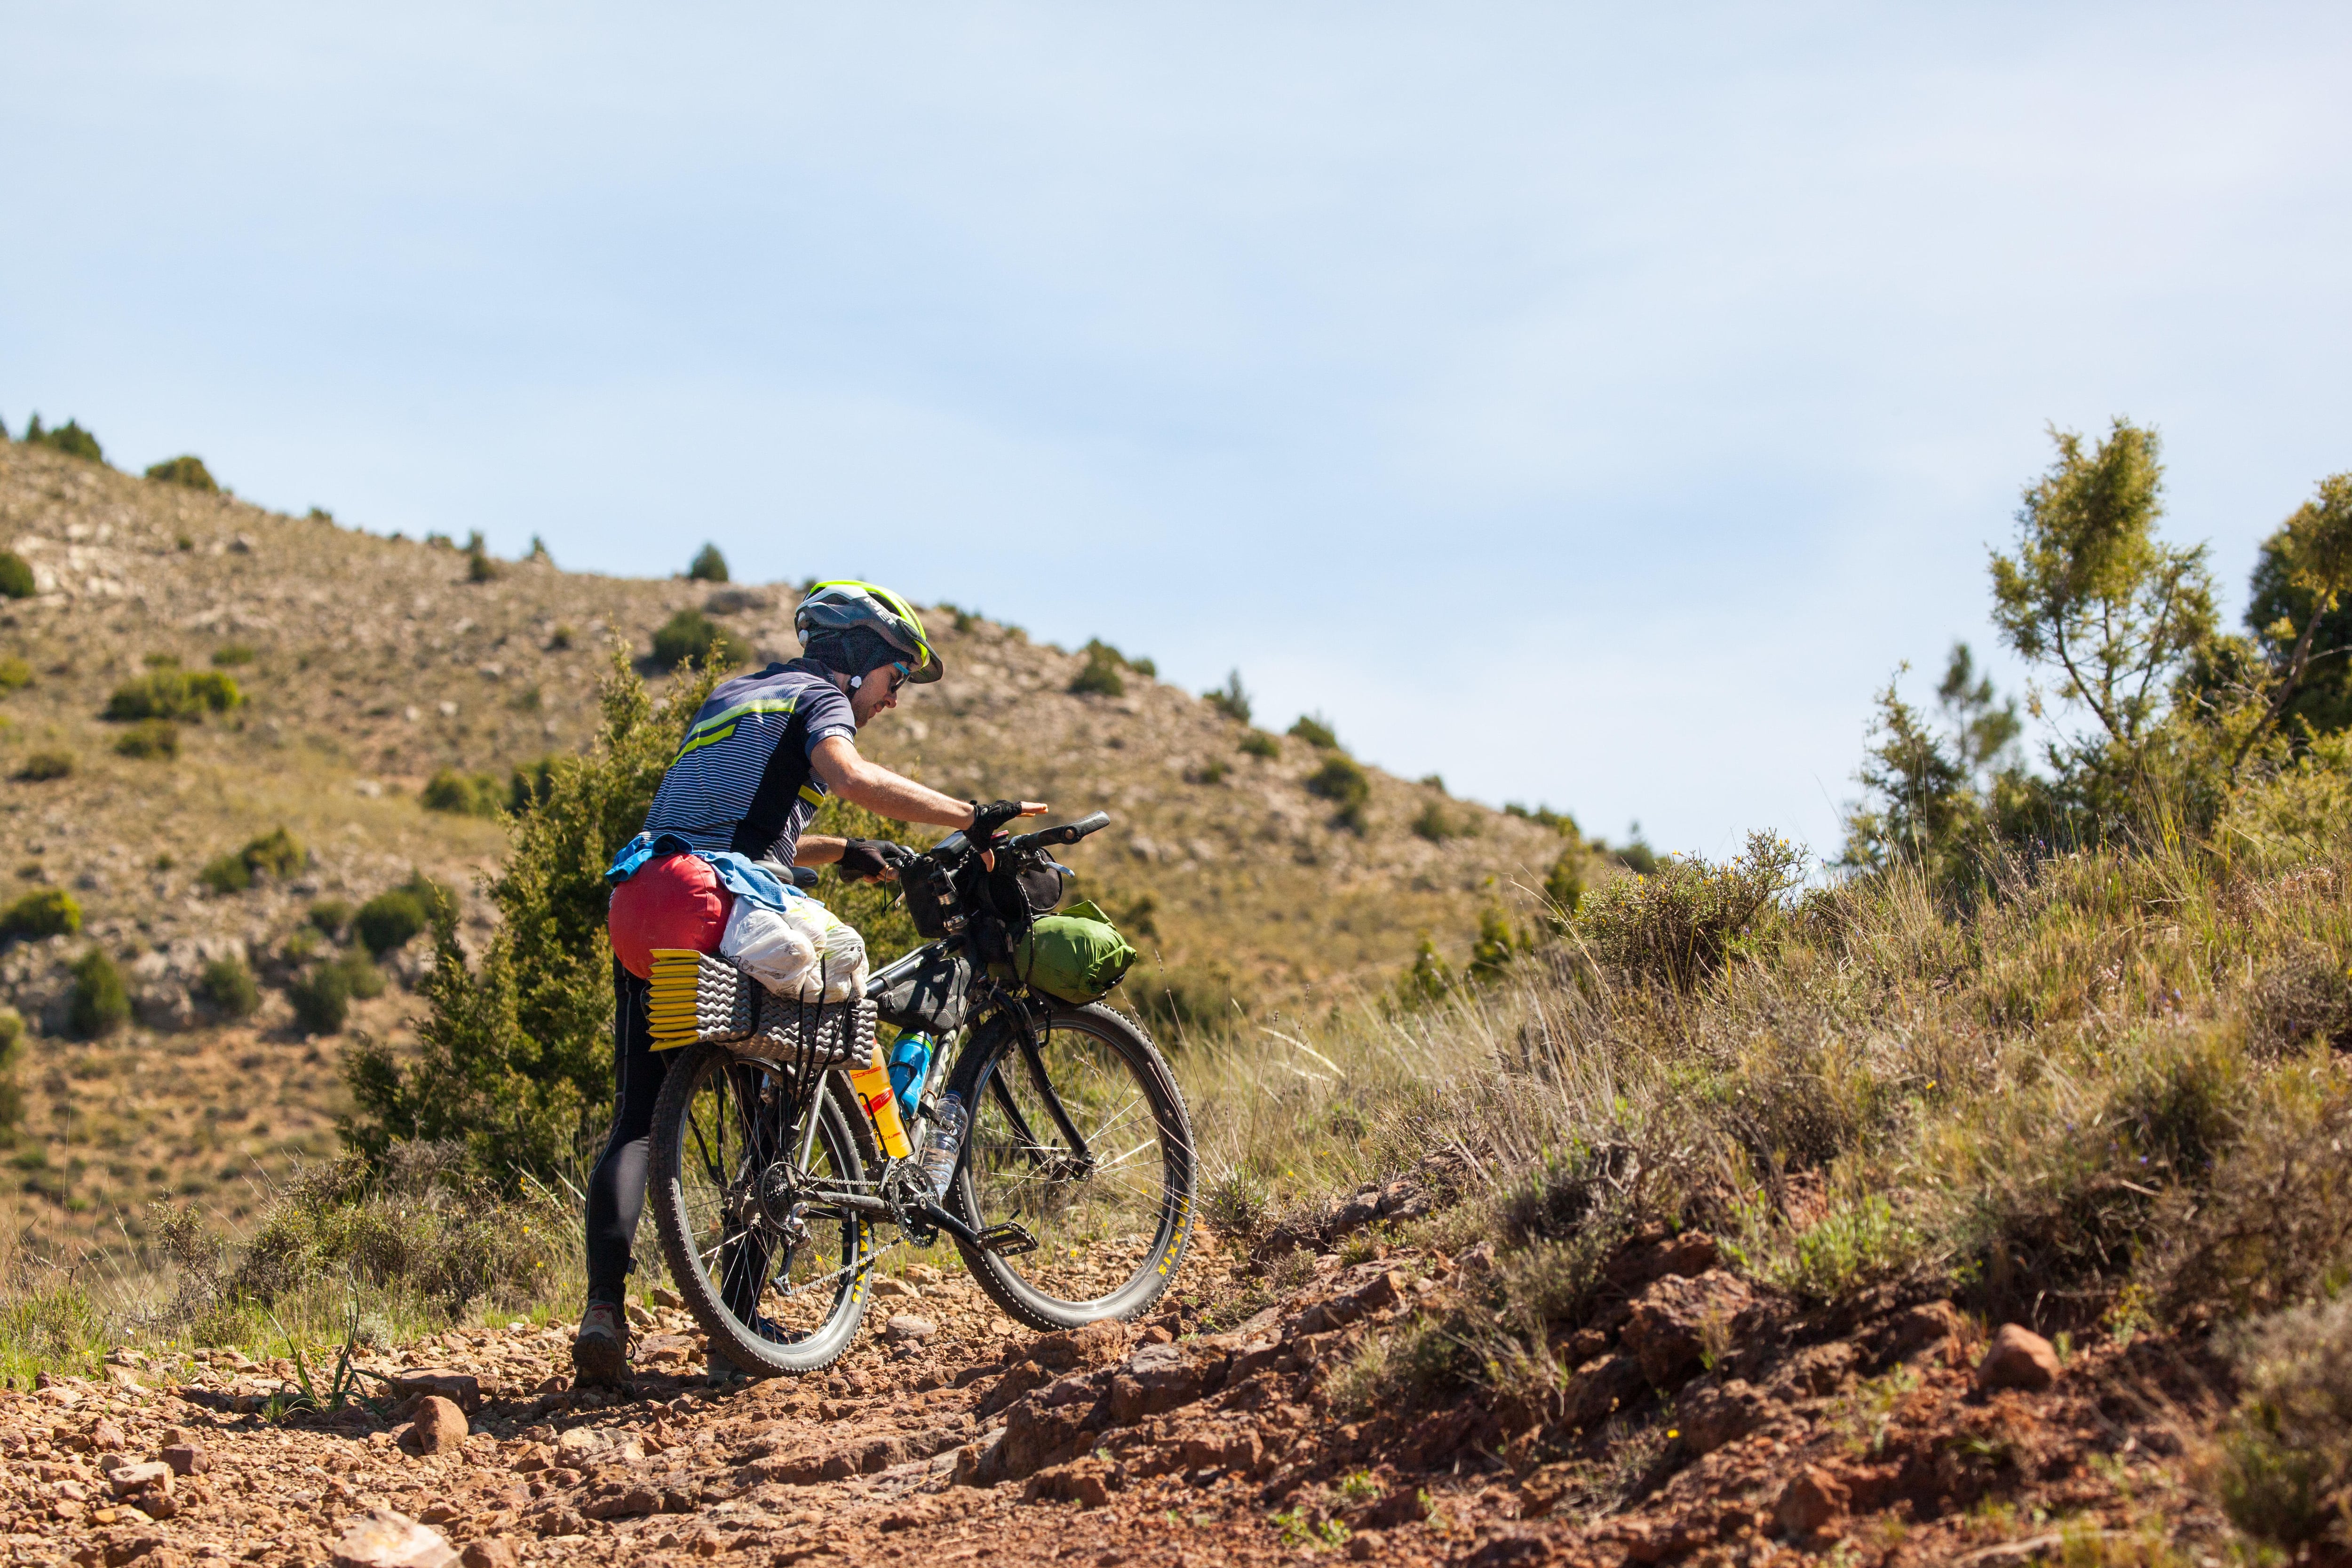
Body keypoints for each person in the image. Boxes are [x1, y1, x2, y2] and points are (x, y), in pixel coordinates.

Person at [572, 579, 1043, 1385]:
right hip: (713, 895)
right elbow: (848, 772)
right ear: (860, 662)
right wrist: (970, 816)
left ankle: (603, 1314)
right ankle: (741, 1308)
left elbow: (734, 826)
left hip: (642, 895)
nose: (891, 701)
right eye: (894, 681)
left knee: (638, 1117)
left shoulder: (737, 693)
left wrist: (842, 849)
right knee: (819, 1025)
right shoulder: (823, 700)